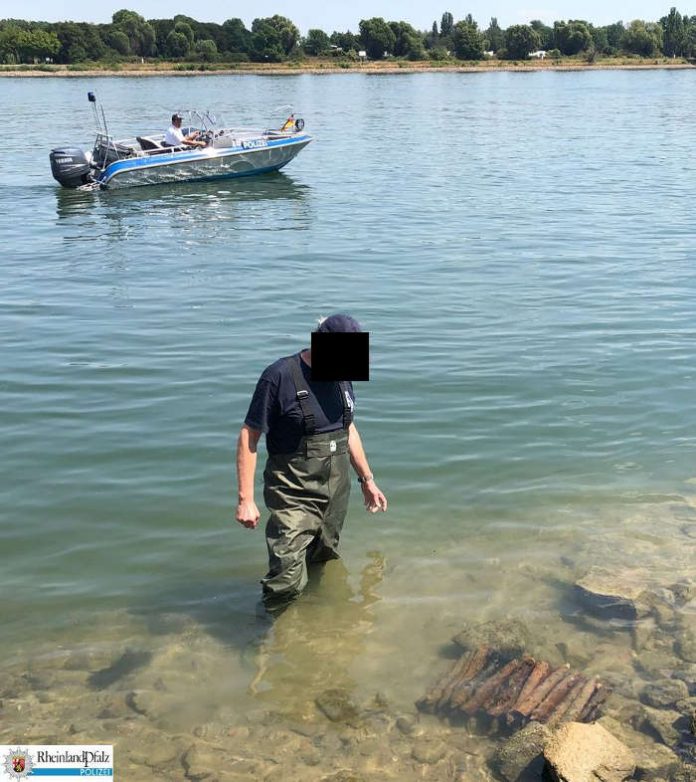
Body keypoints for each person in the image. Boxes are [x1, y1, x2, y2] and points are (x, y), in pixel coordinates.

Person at [236, 314, 388, 610]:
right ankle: (271, 637)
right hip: (293, 493)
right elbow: (248, 436)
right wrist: (245, 499)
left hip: (335, 491)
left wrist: (367, 480)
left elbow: (349, 429)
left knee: (324, 558)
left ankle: (319, 622)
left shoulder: (343, 378)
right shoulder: (279, 376)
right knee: (286, 576)